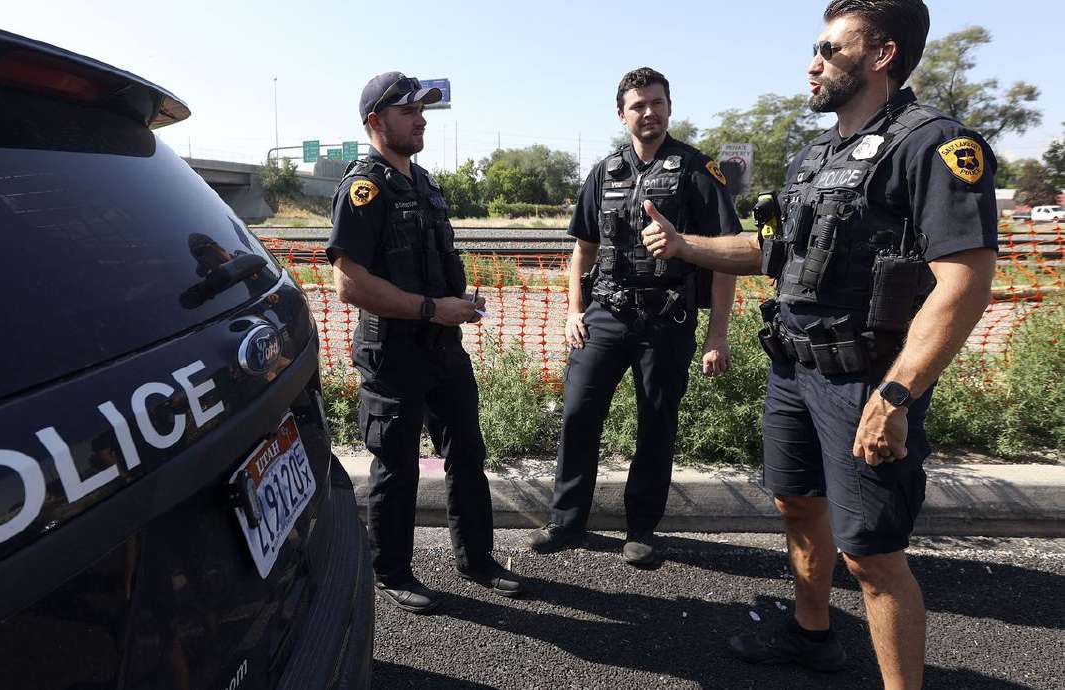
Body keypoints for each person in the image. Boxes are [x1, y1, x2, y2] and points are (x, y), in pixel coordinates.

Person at [639, 2, 997, 687]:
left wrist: (897, 394)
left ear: (882, 55)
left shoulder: (934, 144)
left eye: (830, 49)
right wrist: (687, 246)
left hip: (866, 381)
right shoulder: (816, 155)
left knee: (871, 554)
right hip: (794, 371)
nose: (813, 62)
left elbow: (966, 283)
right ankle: (812, 636)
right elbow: (772, 251)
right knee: (797, 506)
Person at [326, 72, 524, 614]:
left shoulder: (425, 182)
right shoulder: (363, 188)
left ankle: (477, 558)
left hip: (442, 344)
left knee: (467, 452)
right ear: (375, 121)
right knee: (396, 463)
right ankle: (390, 571)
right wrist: (433, 308)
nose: (421, 120)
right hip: (393, 349)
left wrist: (453, 305)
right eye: (409, 111)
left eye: (424, 112)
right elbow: (349, 283)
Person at [527, 67, 741, 566]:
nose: (650, 112)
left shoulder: (697, 171)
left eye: (658, 103)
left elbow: (729, 256)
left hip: (667, 320)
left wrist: (718, 334)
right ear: (621, 114)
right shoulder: (604, 171)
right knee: (578, 415)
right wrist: (573, 311)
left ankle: (642, 528)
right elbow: (582, 251)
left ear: (670, 107)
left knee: (656, 424)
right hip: (605, 314)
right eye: (639, 105)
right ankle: (566, 521)